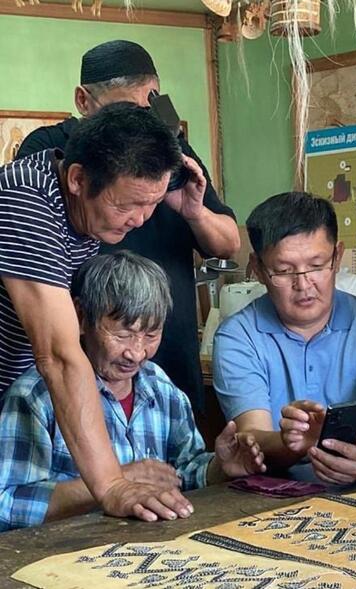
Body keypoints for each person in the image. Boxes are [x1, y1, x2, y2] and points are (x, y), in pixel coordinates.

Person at [16, 39, 240, 413]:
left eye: (147, 108)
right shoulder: (49, 152)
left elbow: (228, 243)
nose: (139, 217)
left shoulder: (169, 148)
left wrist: (194, 212)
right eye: (123, 110)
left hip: (166, 352)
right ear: (83, 101)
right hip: (91, 356)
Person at [0, 102, 197, 522]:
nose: (140, 220)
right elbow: (57, 354)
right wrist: (112, 485)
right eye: (127, 205)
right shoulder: (25, 200)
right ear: (77, 178)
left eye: (152, 205)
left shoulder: (85, 214)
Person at [0, 251, 264, 531]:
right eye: (123, 334)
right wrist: (113, 485)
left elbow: (181, 473)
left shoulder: (161, 388)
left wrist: (218, 469)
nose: (137, 353)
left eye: (151, 335)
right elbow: (5, 503)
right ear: (80, 317)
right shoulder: (34, 398)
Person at [213, 192, 356, 485]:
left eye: (316, 266)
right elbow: (251, 435)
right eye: (283, 270)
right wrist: (291, 441)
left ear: (337, 257)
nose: (303, 285)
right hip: (273, 494)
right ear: (258, 269)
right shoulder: (238, 337)